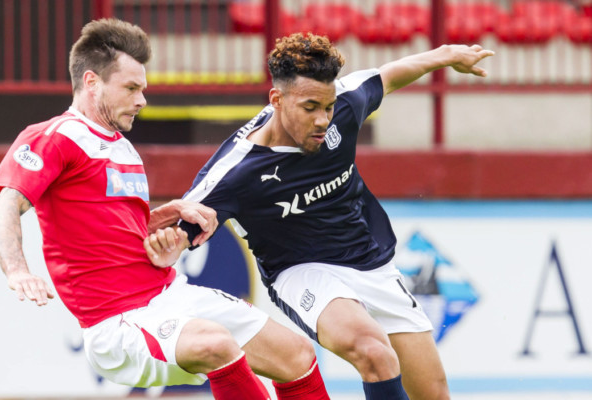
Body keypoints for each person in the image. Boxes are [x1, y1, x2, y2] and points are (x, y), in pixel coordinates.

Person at [0, 19, 331, 400]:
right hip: (117, 322)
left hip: (169, 295)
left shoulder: (121, 146)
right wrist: (18, 271)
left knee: (297, 354)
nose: (142, 100)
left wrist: (171, 214)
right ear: (91, 82)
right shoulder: (54, 137)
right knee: (215, 343)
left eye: (143, 89)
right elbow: (5, 207)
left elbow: (118, 228)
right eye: (131, 88)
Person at [181, 33, 495, 400]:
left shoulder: (344, 104)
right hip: (301, 270)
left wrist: (444, 55)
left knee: (435, 394)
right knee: (373, 351)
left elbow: (388, 75)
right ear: (277, 100)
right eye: (310, 107)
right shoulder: (236, 170)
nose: (323, 121)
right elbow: (176, 230)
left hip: (370, 264)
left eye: (327, 108)